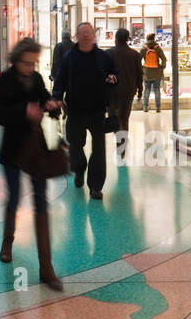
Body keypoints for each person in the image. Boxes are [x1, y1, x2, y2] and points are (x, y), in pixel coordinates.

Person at [0, 36, 62, 290]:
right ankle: (7, 241)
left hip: (36, 148)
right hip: (13, 148)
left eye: (35, 63)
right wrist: (24, 112)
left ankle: (46, 266)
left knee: (41, 200)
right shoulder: (5, 81)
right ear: (17, 60)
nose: (32, 67)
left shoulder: (37, 79)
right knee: (14, 197)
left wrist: (52, 106)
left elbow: (44, 100)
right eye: (27, 63)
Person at [53, 23, 117, 199]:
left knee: (99, 150)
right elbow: (60, 80)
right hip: (75, 110)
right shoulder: (69, 57)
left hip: (97, 110)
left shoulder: (103, 57)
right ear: (76, 36)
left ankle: (96, 186)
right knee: (75, 146)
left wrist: (114, 77)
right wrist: (57, 97)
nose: (86, 36)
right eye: (83, 33)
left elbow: (114, 72)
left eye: (89, 33)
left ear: (94, 36)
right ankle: (79, 169)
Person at [107, 28, 143, 156]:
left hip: (112, 92)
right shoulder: (135, 55)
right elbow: (140, 73)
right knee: (124, 119)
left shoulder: (109, 53)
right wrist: (140, 89)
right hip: (128, 91)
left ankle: (119, 143)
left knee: (114, 119)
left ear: (116, 39)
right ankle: (122, 147)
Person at [139, 33, 167, 112]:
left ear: (147, 39)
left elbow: (138, 59)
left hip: (147, 72)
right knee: (157, 89)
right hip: (157, 72)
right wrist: (162, 67)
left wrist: (142, 68)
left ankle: (145, 107)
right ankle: (158, 108)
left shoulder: (144, 48)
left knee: (146, 89)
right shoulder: (157, 48)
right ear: (154, 38)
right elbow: (164, 59)